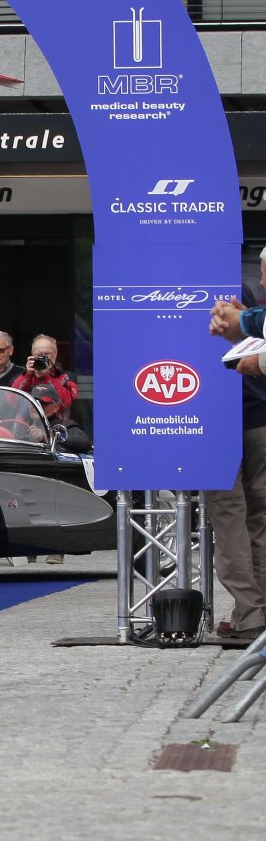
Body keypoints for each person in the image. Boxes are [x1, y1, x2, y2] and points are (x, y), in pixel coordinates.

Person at [207, 258, 266, 640]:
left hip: (216, 421)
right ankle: (256, 610)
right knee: (259, 518)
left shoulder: (192, 292)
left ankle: (250, 613)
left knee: (230, 519)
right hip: (260, 416)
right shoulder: (240, 292)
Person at [9, 333, 78, 414]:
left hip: (56, 421)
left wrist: (47, 377)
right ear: (32, 354)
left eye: (47, 354)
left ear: (55, 353)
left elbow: (65, 404)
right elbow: (12, 402)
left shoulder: (66, 377)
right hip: (28, 421)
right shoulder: (22, 376)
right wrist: (28, 375)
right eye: (39, 354)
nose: (43, 358)